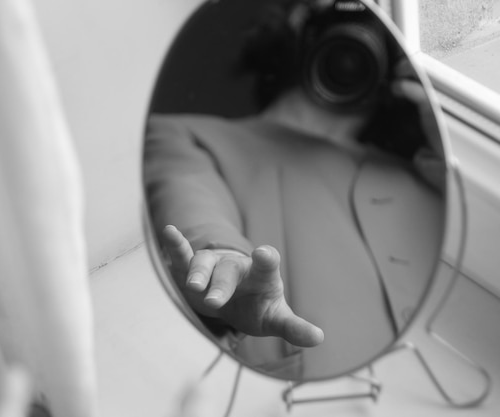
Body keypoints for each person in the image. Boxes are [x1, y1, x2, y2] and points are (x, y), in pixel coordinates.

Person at [144, 0, 445, 376]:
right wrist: (220, 256)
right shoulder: (187, 136)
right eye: (341, 30)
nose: (350, 59)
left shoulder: (430, 175)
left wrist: (446, 142)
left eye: (377, 39)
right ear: (300, 26)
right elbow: (189, 197)